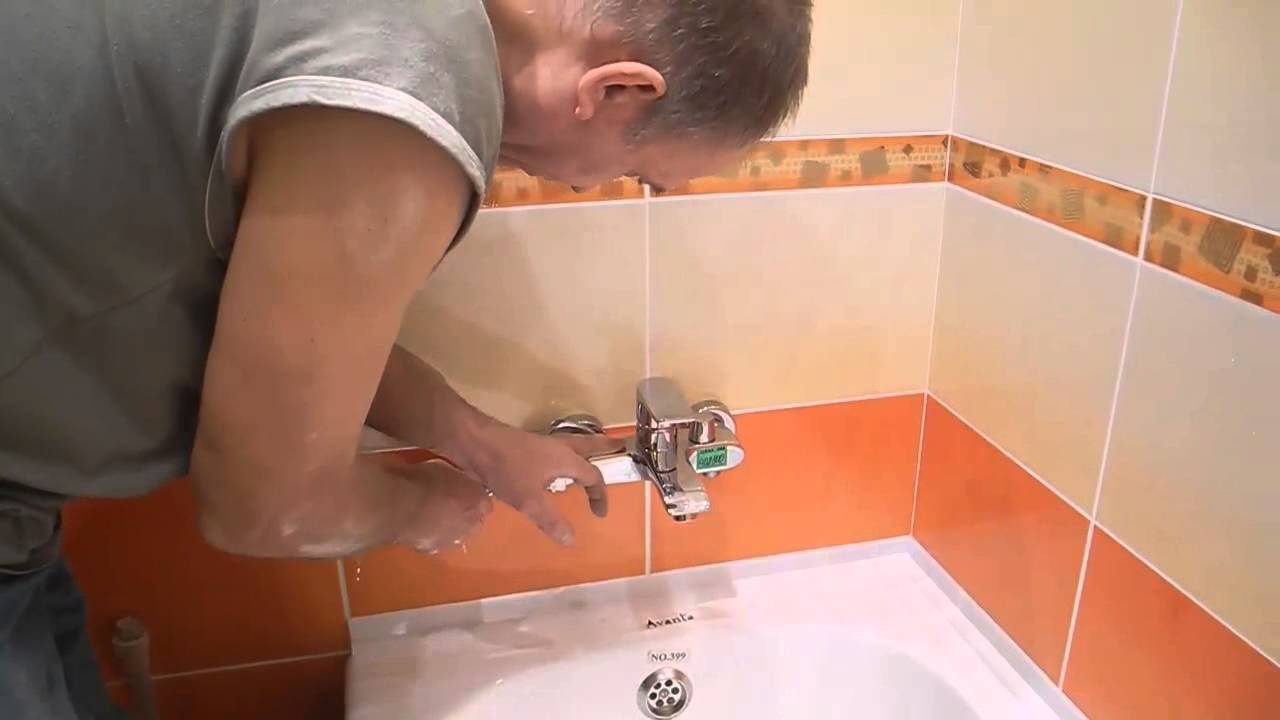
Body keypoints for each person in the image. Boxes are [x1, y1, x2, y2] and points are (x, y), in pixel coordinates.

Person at [0, 0, 812, 716]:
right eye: (634, 172)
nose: (593, 187)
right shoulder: (400, 98)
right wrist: (421, 511)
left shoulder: (392, 37)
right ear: (615, 90)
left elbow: (300, 332)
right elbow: (265, 508)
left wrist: (482, 444)